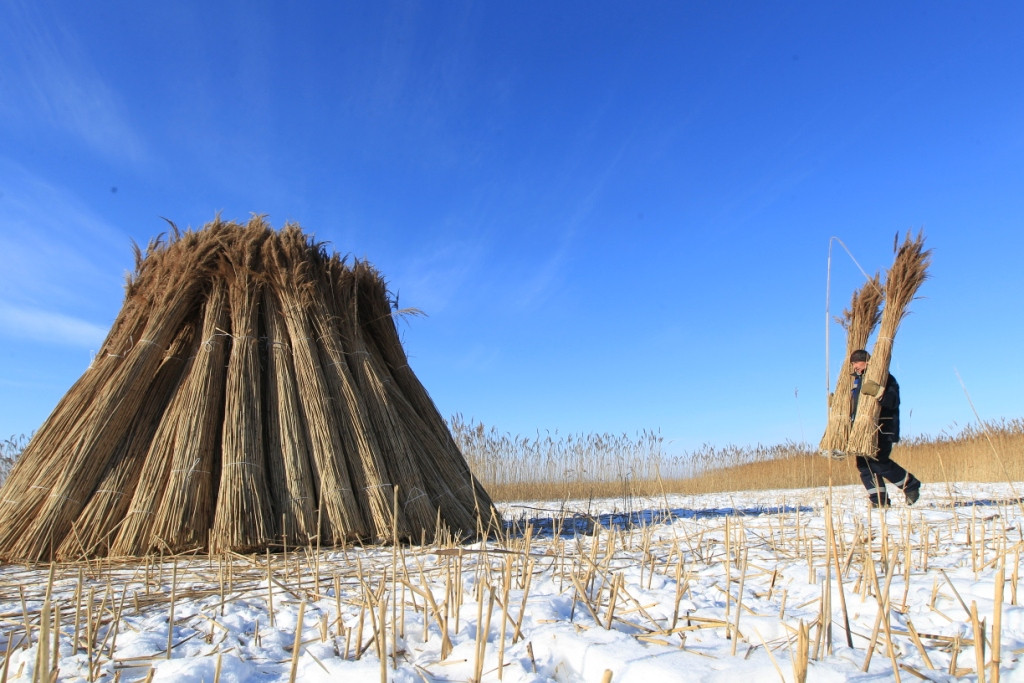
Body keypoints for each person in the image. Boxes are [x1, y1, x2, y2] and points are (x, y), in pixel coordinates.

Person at [849, 349, 921, 507]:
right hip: (864, 431)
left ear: (866, 361)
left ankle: (911, 485)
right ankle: (879, 501)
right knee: (864, 465)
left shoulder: (885, 378)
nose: (854, 366)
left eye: (856, 362)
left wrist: (878, 392)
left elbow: (893, 401)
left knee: (878, 462)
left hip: (883, 427)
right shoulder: (858, 381)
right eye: (852, 363)